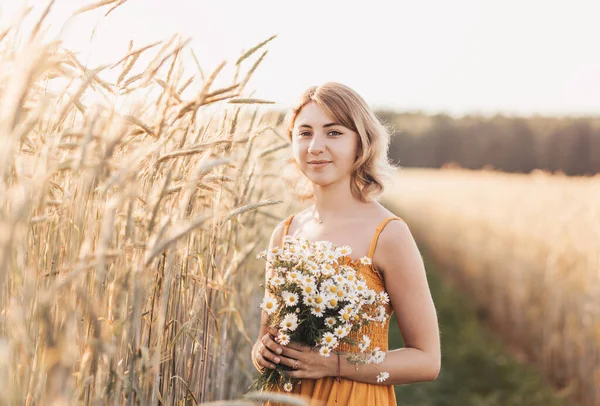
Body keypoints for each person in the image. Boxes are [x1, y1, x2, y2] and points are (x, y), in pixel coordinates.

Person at [251, 82, 441, 405]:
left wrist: (334, 365)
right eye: (305, 132)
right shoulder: (285, 234)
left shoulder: (389, 235)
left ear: (361, 144)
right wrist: (262, 352)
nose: (315, 146)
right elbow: (266, 338)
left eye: (334, 132)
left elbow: (427, 360)